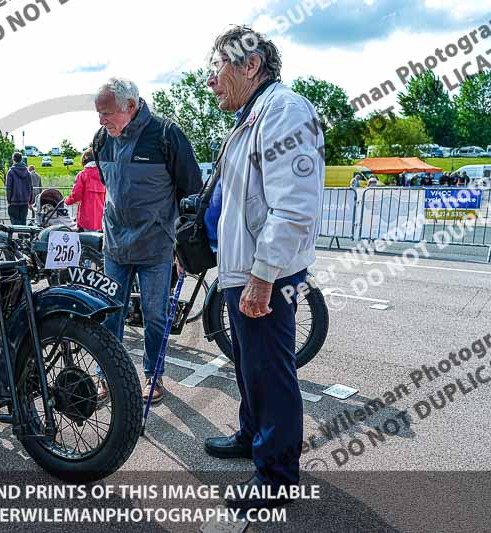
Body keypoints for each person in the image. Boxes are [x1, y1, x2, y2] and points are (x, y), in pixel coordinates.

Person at [202, 25, 323, 510]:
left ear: (250, 65)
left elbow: (293, 208)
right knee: (251, 365)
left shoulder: (286, 111)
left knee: (271, 371)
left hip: (266, 274)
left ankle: (275, 477)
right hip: (246, 269)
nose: (210, 81)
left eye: (217, 69)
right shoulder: (253, 116)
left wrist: (262, 275)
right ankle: (252, 434)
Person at [93, 77, 202, 403]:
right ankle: (105, 377)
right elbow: (109, 184)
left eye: (107, 113)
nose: (101, 121)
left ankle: (154, 377)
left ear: (130, 106)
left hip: (155, 247)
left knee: (155, 316)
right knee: (109, 313)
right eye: (98, 114)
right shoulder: (102, 139)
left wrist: (184, 247)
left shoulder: (167, 135)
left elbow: (191, 192)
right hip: (114, 245)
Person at [65, 148, 105, 232]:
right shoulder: (104, 175)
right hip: (101, 218)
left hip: (86, 218)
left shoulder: (83, 175)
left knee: (86, 241)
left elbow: (76, 195)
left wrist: (67, 201)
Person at [5, 152, 34, 225]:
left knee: (14, 221)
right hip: (24, 201)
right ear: (21, 160)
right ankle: (22, 235)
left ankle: (17, 234)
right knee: (23, 221)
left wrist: (8, 200)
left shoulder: (10, 172)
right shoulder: (27, 173)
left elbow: (9, 188)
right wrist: (30, 201)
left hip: (14, 201)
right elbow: (31, 187)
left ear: (13, 160)